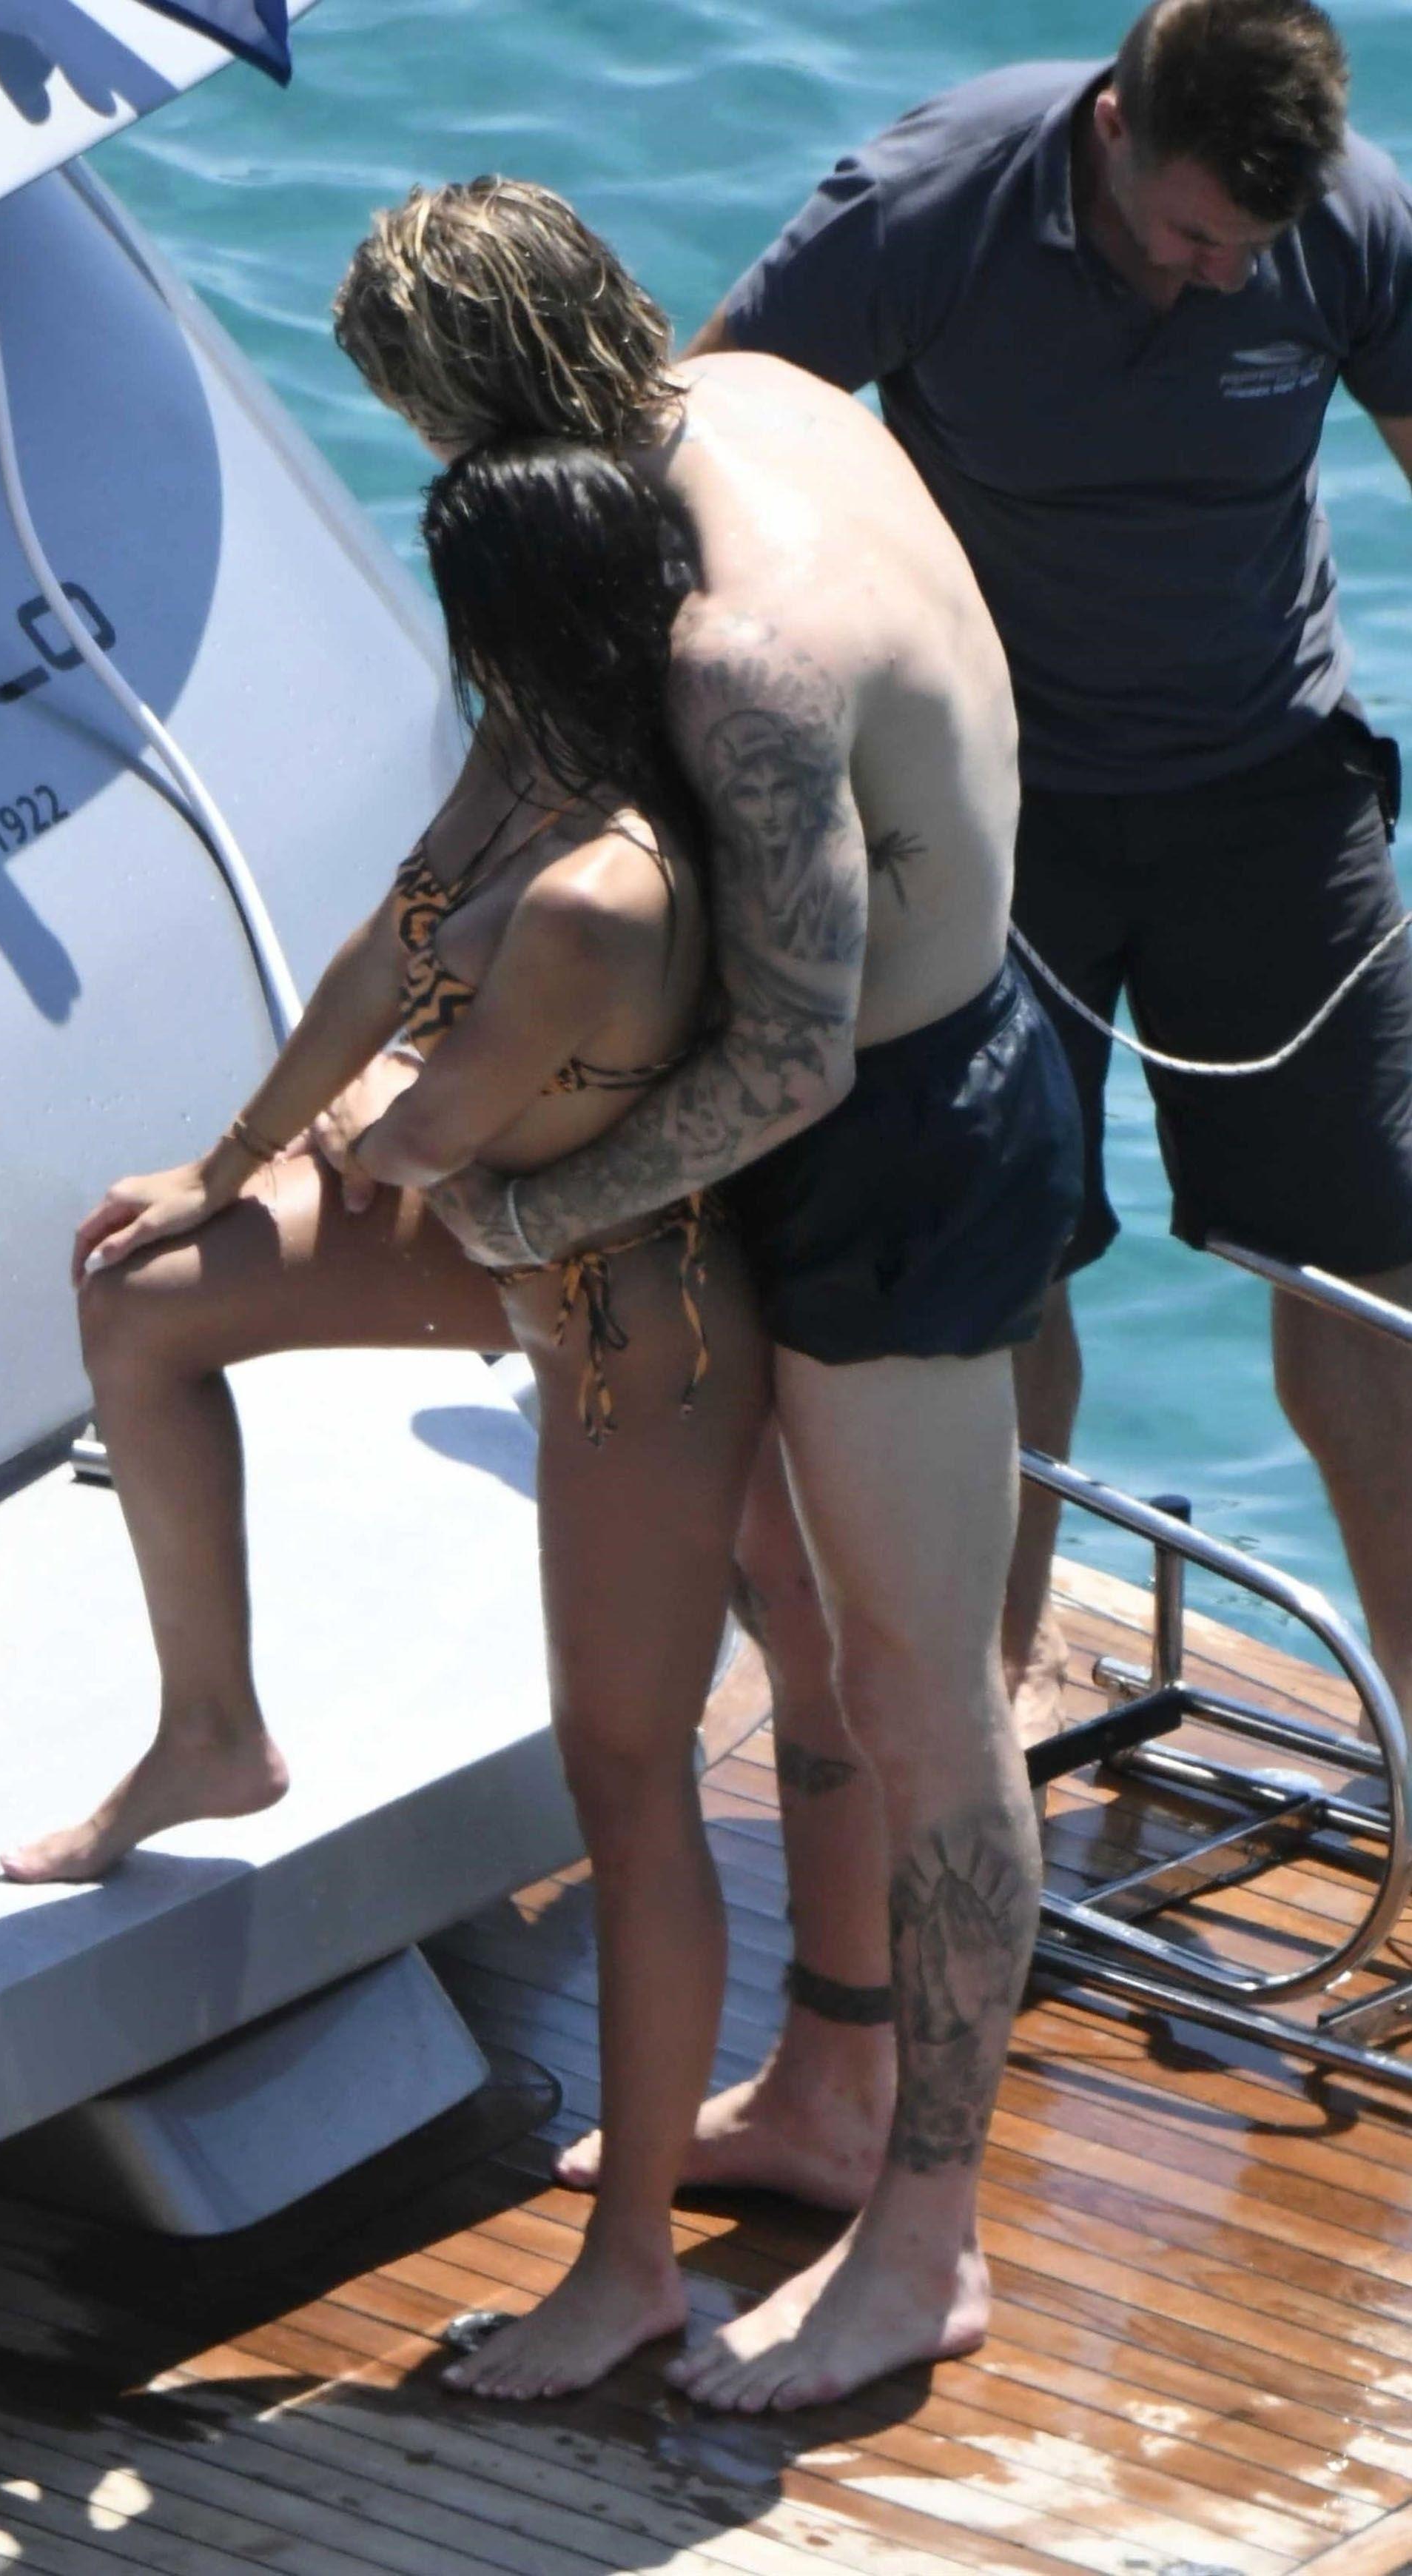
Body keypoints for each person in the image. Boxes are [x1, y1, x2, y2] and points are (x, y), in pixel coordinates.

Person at [648, 0, 1412, 2246]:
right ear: (1106, 130)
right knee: (1000, 1284)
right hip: (997, 809)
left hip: (1276, 801)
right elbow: (707, 431)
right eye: (1179, 239)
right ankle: (956, 1790)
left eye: (1240, 255)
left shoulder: (1342, 219)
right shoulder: (931, 206)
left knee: (1372, 1288)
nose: (1209, 278)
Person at [329, 175, 1083, 2409]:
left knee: (926, 1691)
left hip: (901, 1148)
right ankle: (836, 2091)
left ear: (474, 422)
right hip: (896, 1070)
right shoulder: (751, 386)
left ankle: (926, 2242)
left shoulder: (741, 648)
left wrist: (534, 1216)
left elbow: (799, 1060)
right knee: (807, 1631)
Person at [0, 440, 777, 2401]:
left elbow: (418, 1140)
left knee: (630, 1782)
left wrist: (359, 1122)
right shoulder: (530, 750)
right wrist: (226, 1158)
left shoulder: (603, 888)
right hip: (496, 1231)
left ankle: (630, 2266)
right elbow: (388, 944)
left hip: (626, 1322)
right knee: (140, 1296)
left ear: (504, 619)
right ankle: (212, 1734)